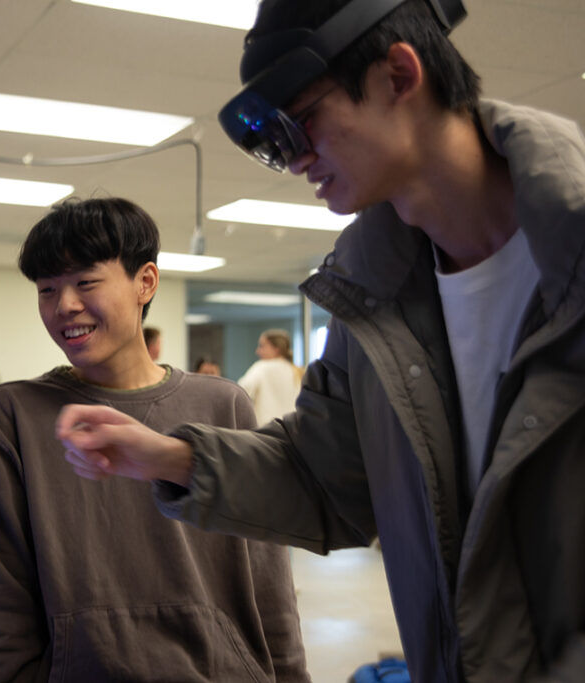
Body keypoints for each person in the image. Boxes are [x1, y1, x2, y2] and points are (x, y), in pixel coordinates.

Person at [57, 2, 585, 681]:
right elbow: (327, 479)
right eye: (277, 143)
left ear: (398, 75)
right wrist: (167, 456)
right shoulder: (373, 295)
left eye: (302, 120)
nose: (298, 158)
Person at [0, 197, 308, 682]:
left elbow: (270, 585)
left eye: (85, 282)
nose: (64, 306)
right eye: (46, 290)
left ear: (145, 282)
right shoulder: (11, 416)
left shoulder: (223, 407)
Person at [237, 329, 303, 425]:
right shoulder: (297, 371)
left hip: (266, 430)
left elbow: (240, 393)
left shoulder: (262, 367)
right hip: (292, 430)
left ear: (277, 349)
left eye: (262, 346)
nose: (257, 351)